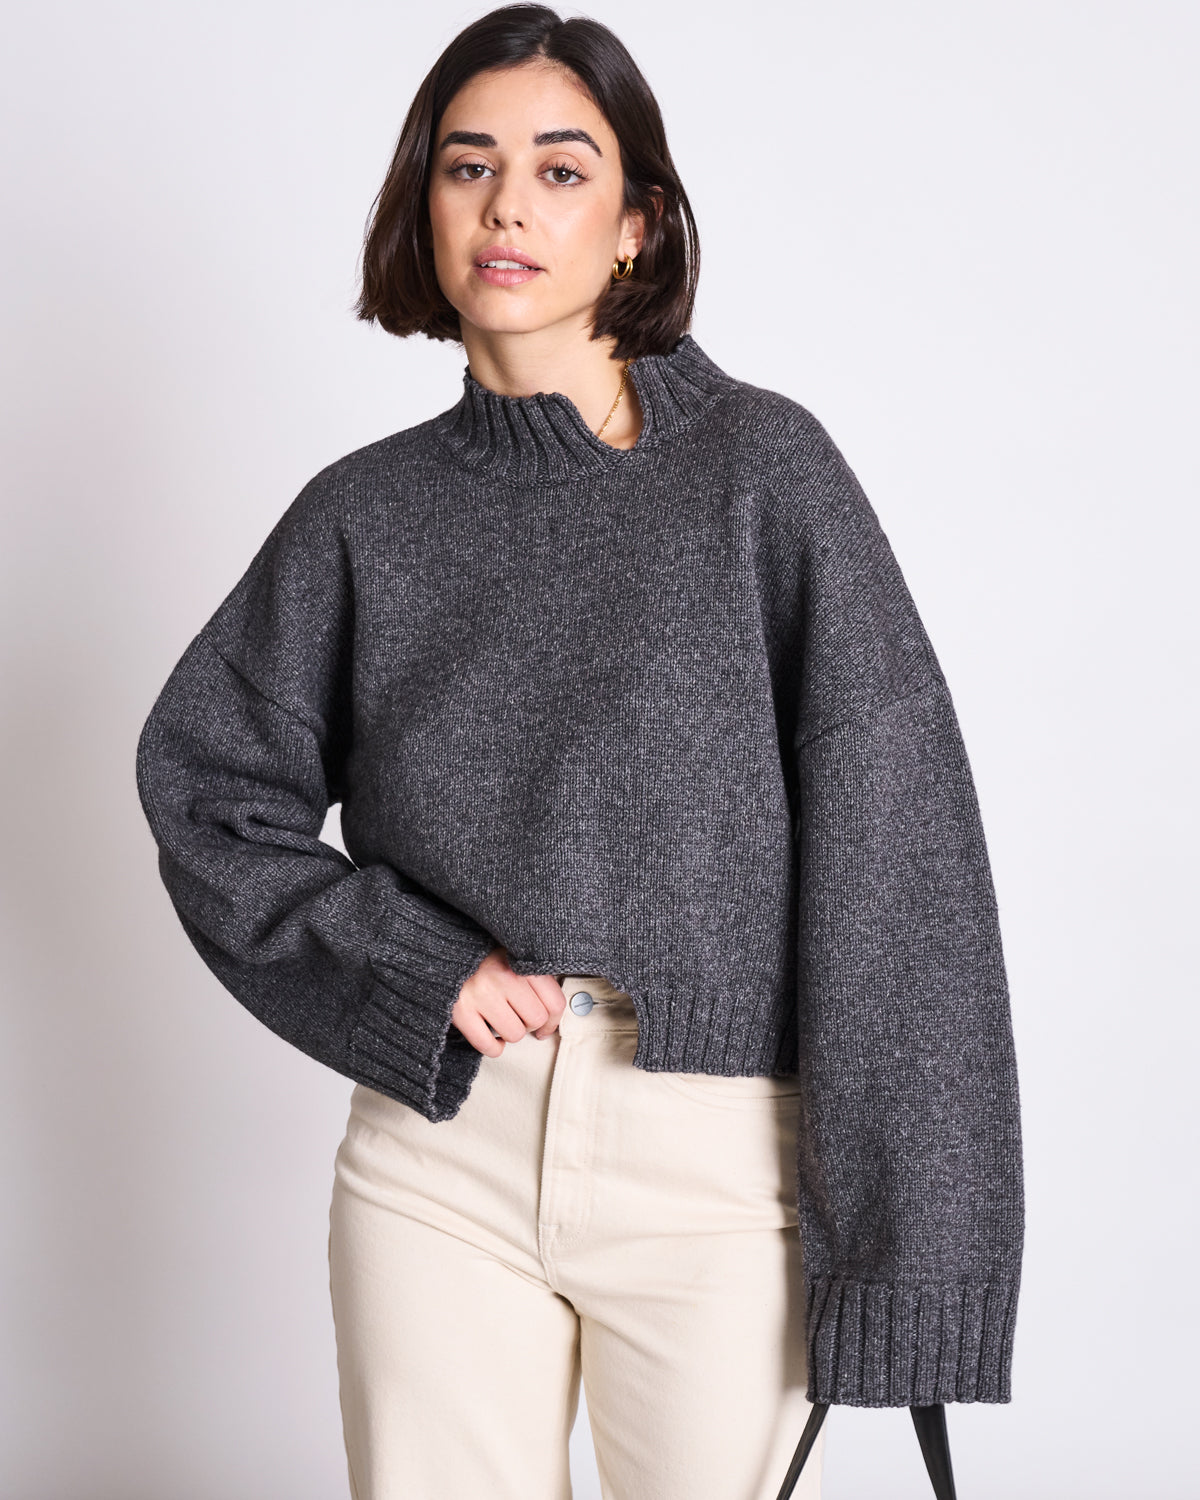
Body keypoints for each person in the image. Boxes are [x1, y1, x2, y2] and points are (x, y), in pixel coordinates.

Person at [134, 5, 1025, 1498]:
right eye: (467, 166)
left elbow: (902, 865)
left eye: (561, 170)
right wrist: (415, 969)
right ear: (423, 207)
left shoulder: (764, 474)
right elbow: (209, 787)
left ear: (636, 226)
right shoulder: (365, 514)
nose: (507, 207)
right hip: (442, 1156)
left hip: (719, 1166)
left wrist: (913, 1255)